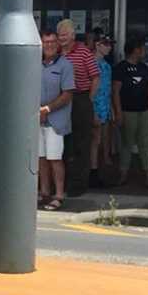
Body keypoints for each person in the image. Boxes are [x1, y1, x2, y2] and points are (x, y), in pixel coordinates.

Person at [57, 18, 100, 196]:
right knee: (62, 144)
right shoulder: (56, 53)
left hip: (80, 98)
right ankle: (62, 182)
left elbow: (96, 77)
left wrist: (88, 99)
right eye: (60, 35)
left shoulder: (83, 52)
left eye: (65, 34)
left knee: (81, 143)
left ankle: (78, 185)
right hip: (60, 100)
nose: (62, 38)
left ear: (73, 35)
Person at [112, 37, 148, 188]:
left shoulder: (144, 68)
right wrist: (118, 112)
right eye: (142, 48)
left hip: (145, 111)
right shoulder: (121, 68)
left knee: (144, 143)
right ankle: (123, 174)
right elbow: (116, 91)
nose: (144, 51)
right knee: (127, 144)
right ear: (135, 49)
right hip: (127, 111)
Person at [39, 30, 75, 211]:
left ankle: (59, 195)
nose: (49, 45)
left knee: (55, 159)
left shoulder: (66, 65)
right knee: (41, 159)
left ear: (58, 44)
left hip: (56, 120)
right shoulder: (33, 64)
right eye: (46, 42)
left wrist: (48, 109)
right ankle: (44, 193)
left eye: (53, 42)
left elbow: (68, 94)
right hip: (36, 120)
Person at [90, 34, 114, 187]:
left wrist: (110, 107)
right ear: (97, 45)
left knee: (101, 142)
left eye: (110, 44)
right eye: (105, 44)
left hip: (104, 107)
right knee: (94, 141)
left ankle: (98, 172)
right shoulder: (90, 63)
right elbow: (89, 91)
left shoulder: (106, 65)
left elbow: (108, 88)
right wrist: (93, 111)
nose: (109, 47)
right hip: (94, 107)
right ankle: (92, 173)